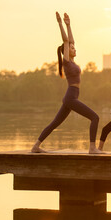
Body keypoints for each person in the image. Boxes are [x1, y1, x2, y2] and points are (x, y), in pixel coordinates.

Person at [31, 12, 102, 154]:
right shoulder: (67, 62)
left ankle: (35, 147)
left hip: (71, 97)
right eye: (72, 48)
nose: (74, 48)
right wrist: (60, 24)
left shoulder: (72, 62)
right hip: (71, 97)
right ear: (66, 51)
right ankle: (92, 148)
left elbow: (70, 40)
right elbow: (66, 41)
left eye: (74, 47)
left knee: (55, 123)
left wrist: (69, 25)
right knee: (95, 117)